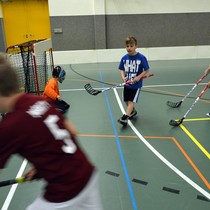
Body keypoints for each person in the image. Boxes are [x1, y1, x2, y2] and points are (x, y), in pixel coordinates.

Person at [0, 54, 103, 210]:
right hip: (87, 175)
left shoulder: (10, 125)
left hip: (65, 191)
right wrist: (43, 166)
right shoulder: (40, 101)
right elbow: (71, 132)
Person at [118, 36, 150, 126]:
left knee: (131, 101)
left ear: (136, 46)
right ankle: (133, 112)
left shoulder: (141, 57)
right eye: (127, 46)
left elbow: (146, 69)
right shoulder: (124, 58)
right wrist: (123, 77)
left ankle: (125, 118)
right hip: (127, 83)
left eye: (131, 46)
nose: (129, 48)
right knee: (126, 100)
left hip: (136, 85)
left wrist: (139, 77)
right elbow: (121, 69)